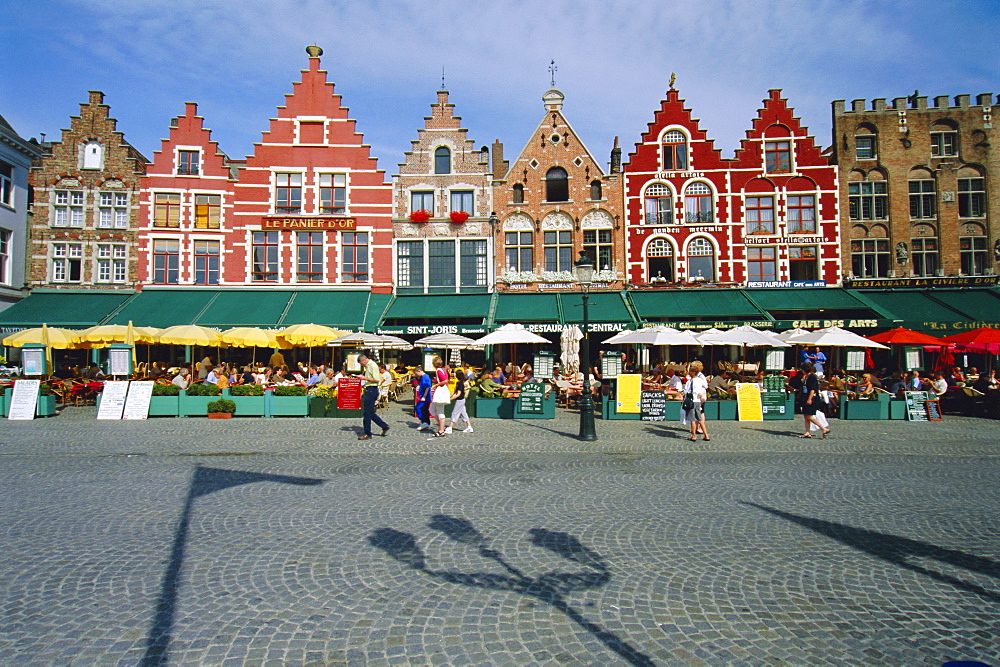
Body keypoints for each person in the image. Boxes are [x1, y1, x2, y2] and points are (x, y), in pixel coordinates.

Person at [356, 352, 390, 440]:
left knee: (366, 413)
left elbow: (376, 379)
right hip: (369, 389)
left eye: (361, 363)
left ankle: (368, 433)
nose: (362, 365)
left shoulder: (372, 365)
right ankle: (384, 426)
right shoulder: (368, 366)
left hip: (372, 390)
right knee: (370, 412)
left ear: (364, 360)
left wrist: (364, 378)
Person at [798, 362, 830, 438]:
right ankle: (807, 431)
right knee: (806, 415)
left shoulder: (812, 377)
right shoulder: (807, 377)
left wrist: (809, 399)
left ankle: (824, 428)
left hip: (812, 398)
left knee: (809, 416)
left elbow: (812, 389)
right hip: (806, 397)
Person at [680, 361, 710, 442]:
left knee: (692, 419)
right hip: (698, 401)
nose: (689, 373)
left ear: (693, 372)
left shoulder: (690, 381)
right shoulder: (700, 380)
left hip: (691, 401)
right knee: (699, 419)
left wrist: (682, 392)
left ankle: (693, 435)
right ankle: (706, 435)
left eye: (690, 371)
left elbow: (686, 391)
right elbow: (703, 387)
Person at [428, 357, 451, 438]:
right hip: (442, 391)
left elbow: (445, 381)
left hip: (440, 392)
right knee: (431, 409)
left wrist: (436, 385)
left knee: (440, 412)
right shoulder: (443, 369)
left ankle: (441, 430)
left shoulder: (438, 371)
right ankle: (442, 426)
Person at [446, 369, 474, 434]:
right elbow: (455, 392)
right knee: (463, 414)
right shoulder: (459, 383)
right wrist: (449, 395)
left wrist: (450, 399)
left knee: (454, 413)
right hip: (461, 400)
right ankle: (469, 427)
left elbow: (458, 394)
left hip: (460, 400)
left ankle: (450, 428)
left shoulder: (460, 383)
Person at [413, 367, 433, 431]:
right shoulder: (424, 377)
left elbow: (427, 387)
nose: (416, 375)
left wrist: (424, 396)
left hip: (424, 397)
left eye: (416, 374)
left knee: (419, 408)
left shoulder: (424, 377)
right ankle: (427, 422)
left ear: (419, 371)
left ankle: (424, 421)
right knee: (425, 410)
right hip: (425, 396)